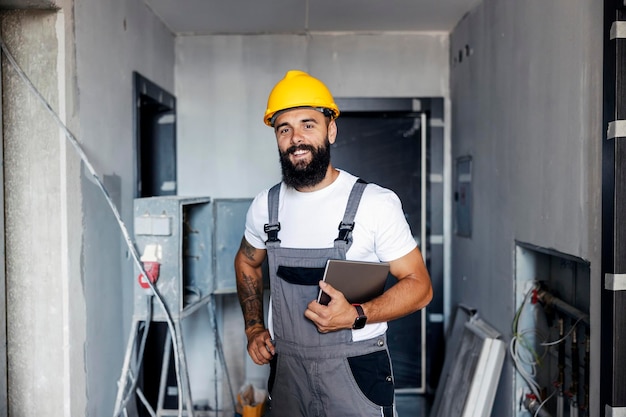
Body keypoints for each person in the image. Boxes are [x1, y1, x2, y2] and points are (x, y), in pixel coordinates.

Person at [234, 70, 433, 417]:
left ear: (331, 130)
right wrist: (253, 327)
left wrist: (357, 314)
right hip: (287, 371)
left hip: (355, 370)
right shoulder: (265, 207)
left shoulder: (374, 203)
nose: (296, 138)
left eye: (308, 124)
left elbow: (420, 287)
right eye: (284, 128)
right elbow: (246, 261)